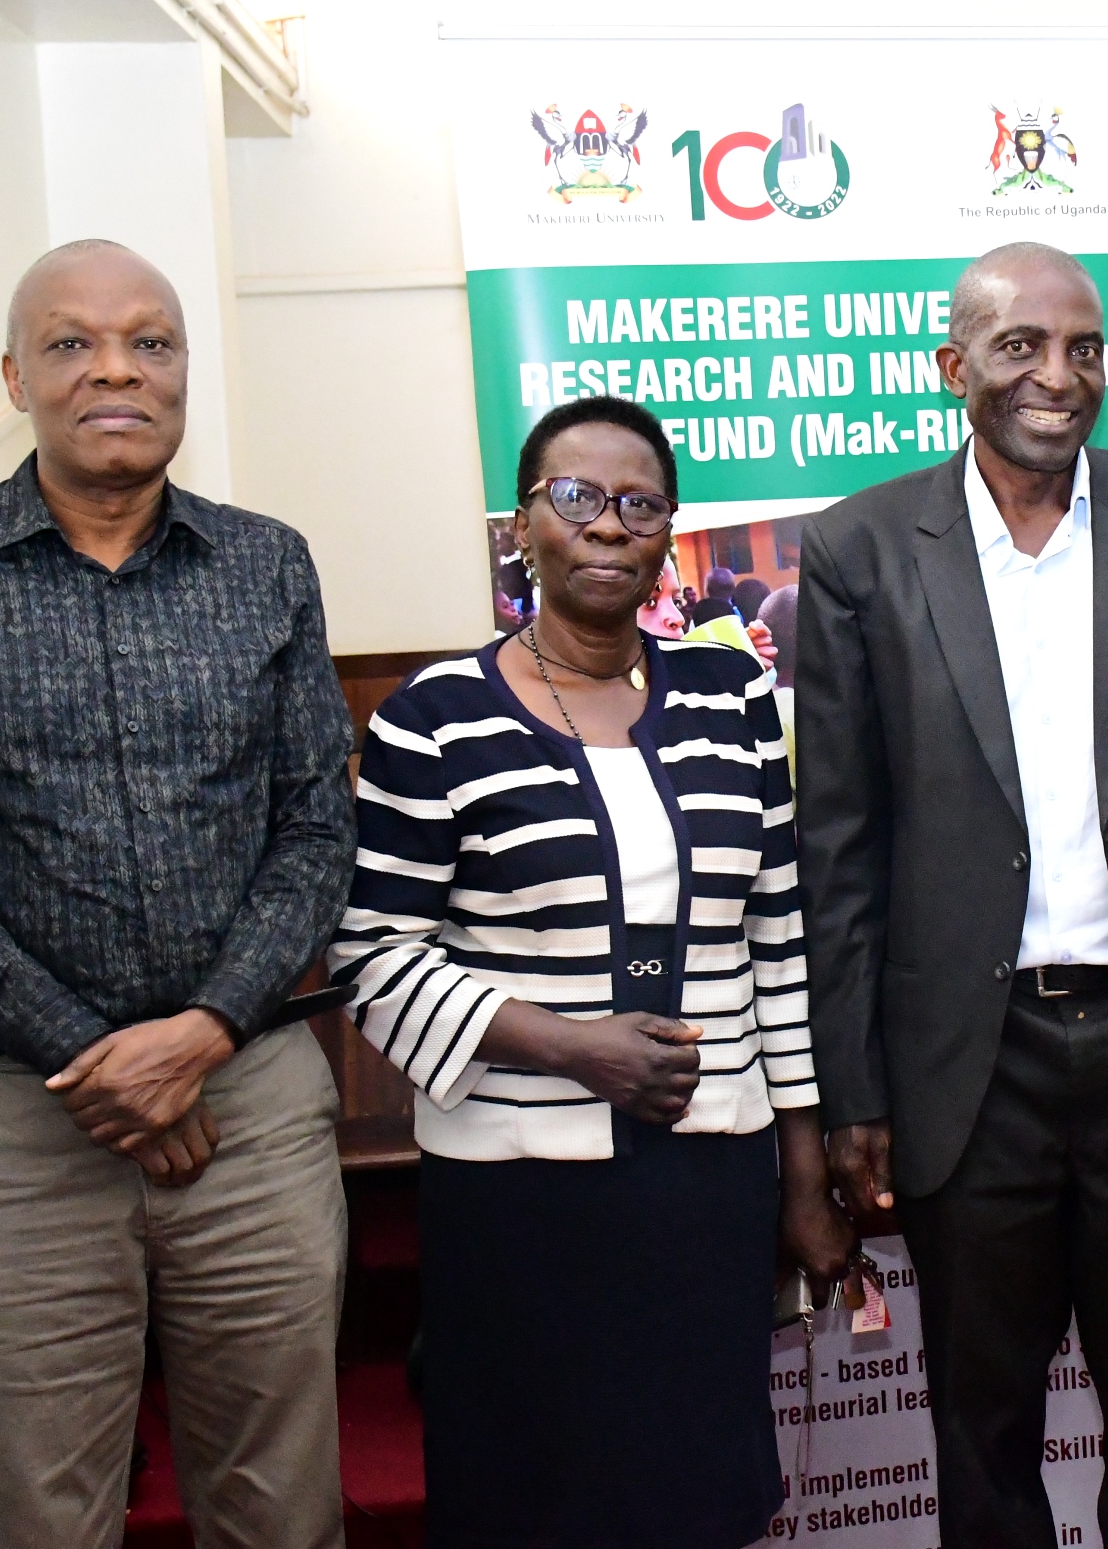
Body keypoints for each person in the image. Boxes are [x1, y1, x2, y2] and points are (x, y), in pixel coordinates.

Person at [0, 239, 356, 1547]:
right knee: (39, 1512)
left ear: (185, 373)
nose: (116, 366)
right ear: (16, 376)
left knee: (279, 1507)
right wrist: (96, 1062)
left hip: (250, 1109)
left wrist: (204, 1032)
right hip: (24, 1122)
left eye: (152, 342)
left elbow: (315, 830)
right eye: (72, 342)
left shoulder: (267, 564)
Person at [795, 241, 1108, 1547]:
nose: (1057, 376)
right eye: (1021, 346)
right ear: (952, 365)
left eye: (1083, 348)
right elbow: (841, 842)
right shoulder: (861, 549)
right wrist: (854, 1092)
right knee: (979, 1423)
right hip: (971, 1066)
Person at [328, 394, 854, 1548]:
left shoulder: (730, 701)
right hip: (520, 1195)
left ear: (668, 530)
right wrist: (571, 1046)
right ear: (522, 525)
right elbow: (372, 954)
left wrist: (803, 1167)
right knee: (534, 1496)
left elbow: (776, 934)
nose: (609, 524)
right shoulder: (435, 717)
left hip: (707, 1186)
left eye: (640, 502)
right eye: (576, 497)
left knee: (698, 1492)